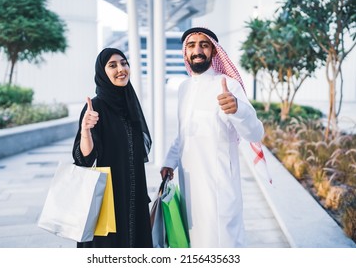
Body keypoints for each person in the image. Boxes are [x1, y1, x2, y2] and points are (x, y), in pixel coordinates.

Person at [160, 27, 265, 248]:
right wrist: (169, 162)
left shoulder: (229, 85)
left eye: (204, 45)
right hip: (188, 185)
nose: (197, 50)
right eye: (191, 45)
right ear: (185, 53)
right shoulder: (184, 88)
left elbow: (255, 133)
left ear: (214, 52)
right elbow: (183, 133)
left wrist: (237, 110)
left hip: (219, 188)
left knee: (222, 243)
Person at [72, 48, 152, 248]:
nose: (121, 69)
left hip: (134, 195)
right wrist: (85, 130)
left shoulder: (130, 104)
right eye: (112, 65)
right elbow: (85, 159)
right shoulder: (96, 106)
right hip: (109, 197)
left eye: (124, 63)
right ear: (102, 71)